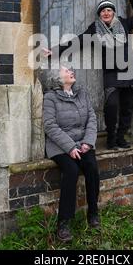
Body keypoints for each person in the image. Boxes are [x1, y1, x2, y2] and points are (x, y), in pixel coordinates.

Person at [43, 0, 133, 151]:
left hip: (130, 71)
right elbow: (77, 41)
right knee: (111, 106)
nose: (106, 12)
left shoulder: (124, 24)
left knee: (127, 106)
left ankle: (121, 137)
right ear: (99, 15)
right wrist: (55, 51)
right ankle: (111, 137)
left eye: (109, 10)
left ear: (113, 12)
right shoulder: (95, 30)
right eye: (103, 11)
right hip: (112, 73)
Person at [42, 64, 100, 242]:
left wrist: (88, 142)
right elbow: (50, 126)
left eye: (71, 70)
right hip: (60, 145)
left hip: (82, 143)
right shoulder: (50, 98)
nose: (71, 72)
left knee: (91, 166)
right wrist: (69, 147)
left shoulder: (82, 93)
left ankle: (93, 213)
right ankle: (64, 223)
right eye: (67, 71)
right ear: (57, 78)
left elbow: (92, 118)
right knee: (71, 171)